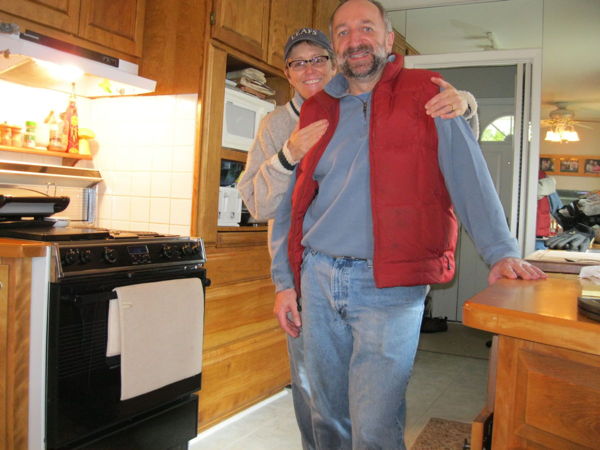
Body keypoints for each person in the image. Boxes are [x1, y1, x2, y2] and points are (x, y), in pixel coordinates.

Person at [269, 1, 547, 448]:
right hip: (317, 278)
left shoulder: (427, 92)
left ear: (387, 38)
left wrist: (501, 251)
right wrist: (285, 281)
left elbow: (468, 176)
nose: (355, 40)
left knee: (375, 425)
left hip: (390, 287)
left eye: (366, 28)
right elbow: (294, 202)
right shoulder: (317, 108)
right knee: (327, 417)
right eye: (343, 32)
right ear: (335, 46)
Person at [237, 28, 478, 222]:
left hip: (374, 253)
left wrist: (463, 104)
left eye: (318, 59)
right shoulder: (275, 124)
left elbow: (451, 153)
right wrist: (289, 155)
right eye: (298, 63)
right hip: (298, 260)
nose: (309, 70)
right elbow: (259, 207)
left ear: (334, 66)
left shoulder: (367, 106)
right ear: (288, 74)